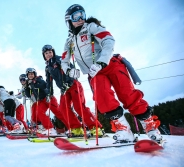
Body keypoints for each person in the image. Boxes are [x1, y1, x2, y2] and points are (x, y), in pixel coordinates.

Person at [61, 4, 162, 142]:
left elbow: (108, 39)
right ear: (68, 21)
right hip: (94, 72)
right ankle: (124, 129)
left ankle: (150, 126)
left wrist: (102, 61)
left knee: (127, 94)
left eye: (82, 15)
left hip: (110, 64)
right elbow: (64, 61)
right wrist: (69, 70)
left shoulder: (90, 27)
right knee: (103, 99)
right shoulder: (69, 42)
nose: (80, 19)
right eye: (76, 16)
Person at [42, 44, 103, 137]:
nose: (49, 54)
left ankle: (95, 127)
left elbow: (69, 68)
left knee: (79, 107)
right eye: (46, 53)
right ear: (44, 55)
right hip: (64, 89)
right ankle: (76, 128)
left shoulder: (59, 59)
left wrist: (69, 81)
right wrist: (49, 94)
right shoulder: (48, 68)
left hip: (73, 85)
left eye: (50, 52)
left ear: (53, 52)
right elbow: (49, 82)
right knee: (63, 109)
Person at [24, 67, 66, 135]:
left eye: (32, 74)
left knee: (58, 112)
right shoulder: (30, 83)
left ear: (34, 74)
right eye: (29, 75)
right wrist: (26, 87)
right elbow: (29, 95)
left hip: (48, 98)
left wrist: (35, 84)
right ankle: (50, 129)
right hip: (41, 101)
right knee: (40, 113)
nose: (30, 75)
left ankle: (70, 127)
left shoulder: (39, 79)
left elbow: (45, 86)